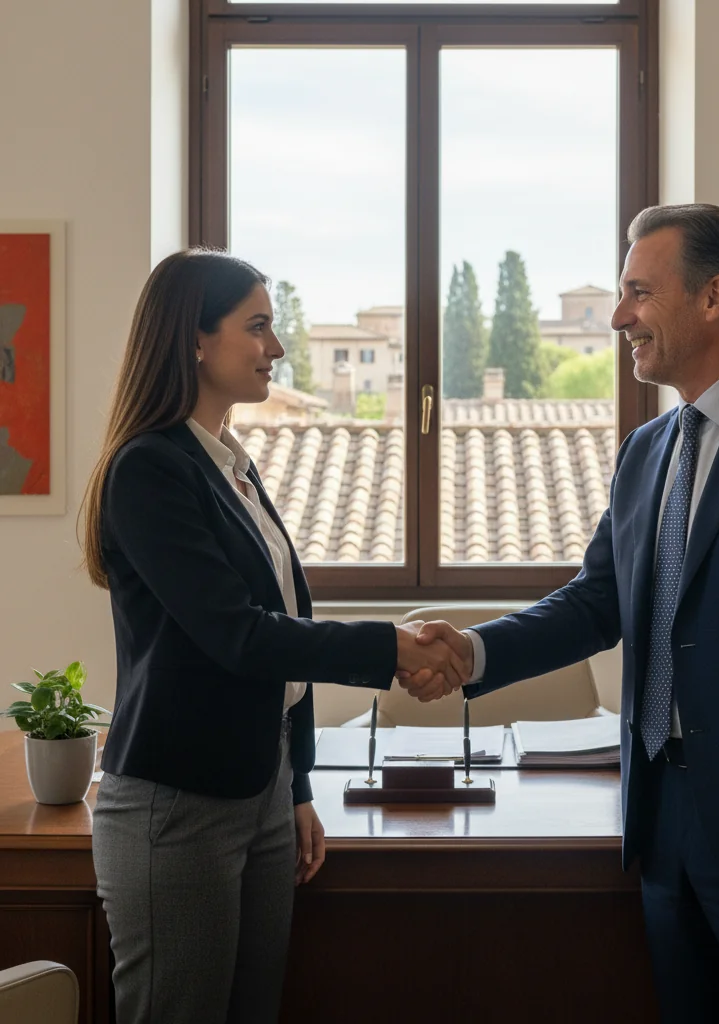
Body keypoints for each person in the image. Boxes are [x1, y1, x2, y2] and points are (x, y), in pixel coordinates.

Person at [403, 205, 719, 1023]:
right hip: (662, 822)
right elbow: (596, 602)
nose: (619, 317)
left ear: (714, 297)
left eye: (640, 292)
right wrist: (472, 651)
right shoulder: (646, 451)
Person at [79, 248, 468, 1024]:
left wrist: (295, 786)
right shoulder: (148, 470)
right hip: (176, 804)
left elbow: (285, 633)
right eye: (257, 326)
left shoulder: (231, 467)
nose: (277, 347)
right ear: (195, 338)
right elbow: (241, 637)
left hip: (259, 792)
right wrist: (390, 648)